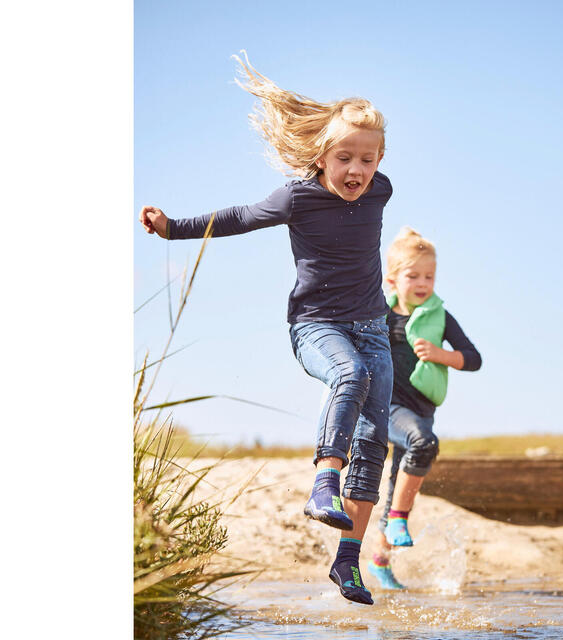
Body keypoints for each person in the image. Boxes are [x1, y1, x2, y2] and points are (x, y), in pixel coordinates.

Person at [139, 54, 393, 606]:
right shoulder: (297, 197)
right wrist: (171, 229)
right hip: (316, 326)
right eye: (345, 157)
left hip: (375, 328)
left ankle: (347, 562)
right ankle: (323, 481)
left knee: (376, 440)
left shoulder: (381, 191)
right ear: (320, 156)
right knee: (348, 375)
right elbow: (237, 217)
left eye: (367, 160)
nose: (356, 170)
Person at [368, 227, 482, 590]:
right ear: (392, 279)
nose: (422, 283)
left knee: (397, 483)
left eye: (429, 276)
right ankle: (399, 519)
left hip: (421, 408)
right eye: (413, 275)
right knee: (423, 443)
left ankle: (379, 561)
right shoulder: (378, 313)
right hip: (387, 406)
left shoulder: (440, 316)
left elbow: (474, 358)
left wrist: (442, 355)